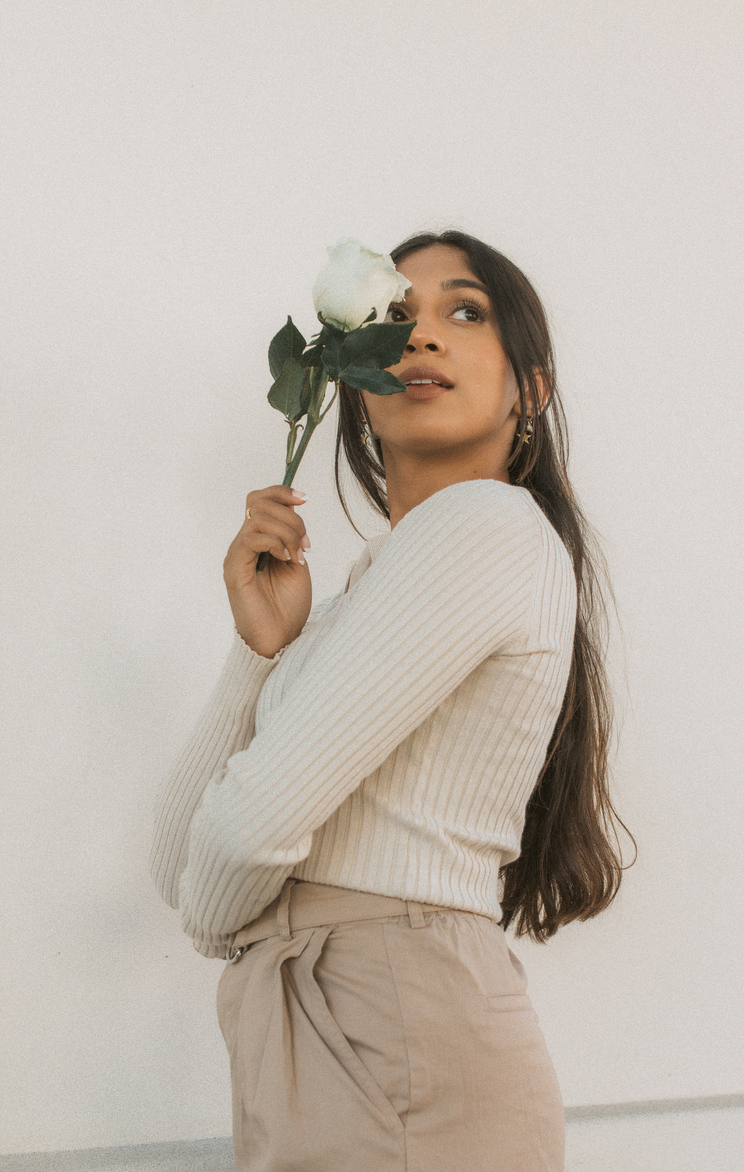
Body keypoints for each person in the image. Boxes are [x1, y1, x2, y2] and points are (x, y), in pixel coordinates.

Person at [149, 230, 632, 1172]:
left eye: (464, 311)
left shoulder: (485, 523)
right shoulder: (369, 593)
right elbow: (180, 860)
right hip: (343, 1017)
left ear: (532, 389)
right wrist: (263, 654)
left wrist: (222, 932)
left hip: (389, 1020)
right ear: (353, 382)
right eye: (392, 318)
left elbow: (240, 840)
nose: (422, 337)